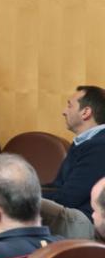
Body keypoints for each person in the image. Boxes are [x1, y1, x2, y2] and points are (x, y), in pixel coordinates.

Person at [42, 85, 105, 218]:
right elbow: (57, 187)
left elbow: (68, 198)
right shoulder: (86, 142)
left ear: (85, 112)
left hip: (86, 221)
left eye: (69, 105)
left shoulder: (100, 146)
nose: (64, 112)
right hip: (71, 214)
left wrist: (22, 197)